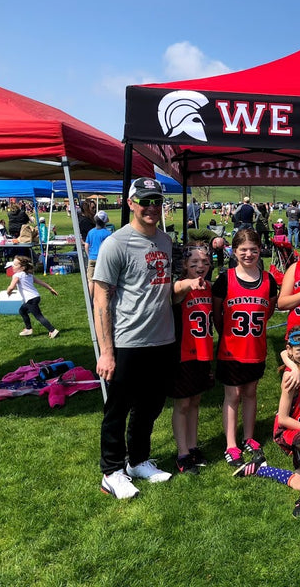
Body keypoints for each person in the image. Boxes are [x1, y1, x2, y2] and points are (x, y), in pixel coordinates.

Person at [94, 177, 175, 499]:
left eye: (156, 201)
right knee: (117, 409)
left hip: (163, 339)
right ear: (130, 203)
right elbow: (101, 299)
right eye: (145, 201)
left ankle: (138, 459)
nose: (152, 207)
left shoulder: (166, 241)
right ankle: (111, 471)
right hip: (128, 341)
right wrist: (106, 352)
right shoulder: (116, 243)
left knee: (150, 406)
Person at [237, 326, 300, 517]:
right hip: (289, 430)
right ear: (290, 350)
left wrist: (299, 360)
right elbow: (284, 418)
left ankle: (259, 469)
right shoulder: (290, 377)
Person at [213, 229, 277, 471]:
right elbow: (217, 315)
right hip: (231, 350)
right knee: (233, 396)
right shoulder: (224, 279)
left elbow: (268, 310)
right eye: (243, 250)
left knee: (250, 392)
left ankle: (249, 437)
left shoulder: (269, 280)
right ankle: (231, 443)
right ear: (234, 251)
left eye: (253, 249)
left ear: (260, 250)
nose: (249, 254)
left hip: (256, 348)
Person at [170, 243, 214, 474]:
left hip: (203, 351)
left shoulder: (208, 287)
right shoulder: (181, 288)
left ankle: (193, 445)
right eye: (194, 262)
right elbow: (177, 288)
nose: (200, 266)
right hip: (184, 353)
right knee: (183, 403)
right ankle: (182, 452)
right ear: (185, 265)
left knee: (195, 401)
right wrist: (190, 283)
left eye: (205, 262)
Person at [6, 255, 59, 339]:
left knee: (38, 316)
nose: (13, 266)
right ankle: (28, 329)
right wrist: (50, 288)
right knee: (22, 311)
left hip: (30, 299)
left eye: (15, 265)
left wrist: (8, 292)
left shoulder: (17, 275)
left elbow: (11, 287)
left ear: (23, 267)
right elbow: (41, 282)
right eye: (13, 264)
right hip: (36, 297)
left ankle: (52, 330)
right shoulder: (29, 275)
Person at [84, 210, 112, 299]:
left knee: (91, 280)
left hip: (92, 258)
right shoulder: (108, 233)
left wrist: (89, 255)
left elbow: (86, 246)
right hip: (102, 259)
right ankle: (103, 298)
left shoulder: (91, 232)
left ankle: (90, 299)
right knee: (104, 280)